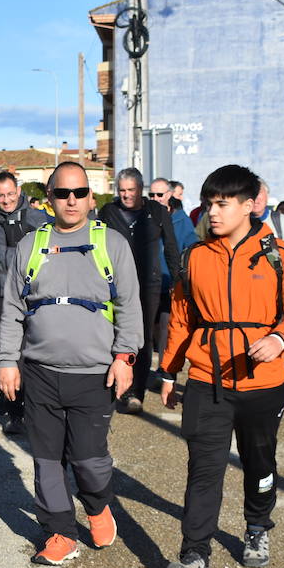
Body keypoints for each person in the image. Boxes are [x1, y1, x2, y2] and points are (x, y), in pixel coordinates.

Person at [159, 164, 284, 568]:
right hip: (206, 380)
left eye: (222, 204)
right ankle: (194, 557)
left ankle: (258, 526)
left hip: (263, 382)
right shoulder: (194, 257)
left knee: (259, 464)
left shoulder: (280, 255)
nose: (213, 212)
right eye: (209, 203)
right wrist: (169, 371)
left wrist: (279, 339)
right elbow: (182, 320)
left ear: (249, 206)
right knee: (203, 469)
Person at [0, 161, 142, 567]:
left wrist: (125, 358)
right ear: (49, 199)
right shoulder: (30, 246)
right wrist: (7, 361)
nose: (72, 200)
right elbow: (12, 309)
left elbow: (130, 306)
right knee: (46, 460)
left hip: (95, 374)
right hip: (40, 374)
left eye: (79, 193)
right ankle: (59, 532)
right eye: (63, 193)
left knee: (89, 461)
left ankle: (97, 504)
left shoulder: (111, 243)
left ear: (91, 197)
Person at [0, 171, 49, 435]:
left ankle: (18, 412)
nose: (6, 200)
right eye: (0, 195)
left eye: (10, 194)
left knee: (26, 358)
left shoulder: (37, 219)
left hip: (32, 298)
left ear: (18, 191)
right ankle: (9, 393)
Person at [99, 167, 179, 412]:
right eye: (122, 190)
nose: (126, 195)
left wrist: (177, 281)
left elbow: (171, 247)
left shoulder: (156, 211)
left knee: (141, 337)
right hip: (114, 283)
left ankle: (136, 392)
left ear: (140, 189)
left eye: (131, 190)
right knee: (111, 334)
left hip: (148, 284)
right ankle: (112, 386)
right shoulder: (108, 212)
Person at [149, 178, 198, 379]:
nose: (155, 198)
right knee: (147, 332)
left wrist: (182, 279)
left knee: (166, 331)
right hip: (148, 285)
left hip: (171, 285)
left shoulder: (182, 220)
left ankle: (165, 373)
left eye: (159, 194)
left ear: (169, 195)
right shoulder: (145, 217)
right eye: (151, 195)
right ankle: (143, 375)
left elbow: (191, 249)